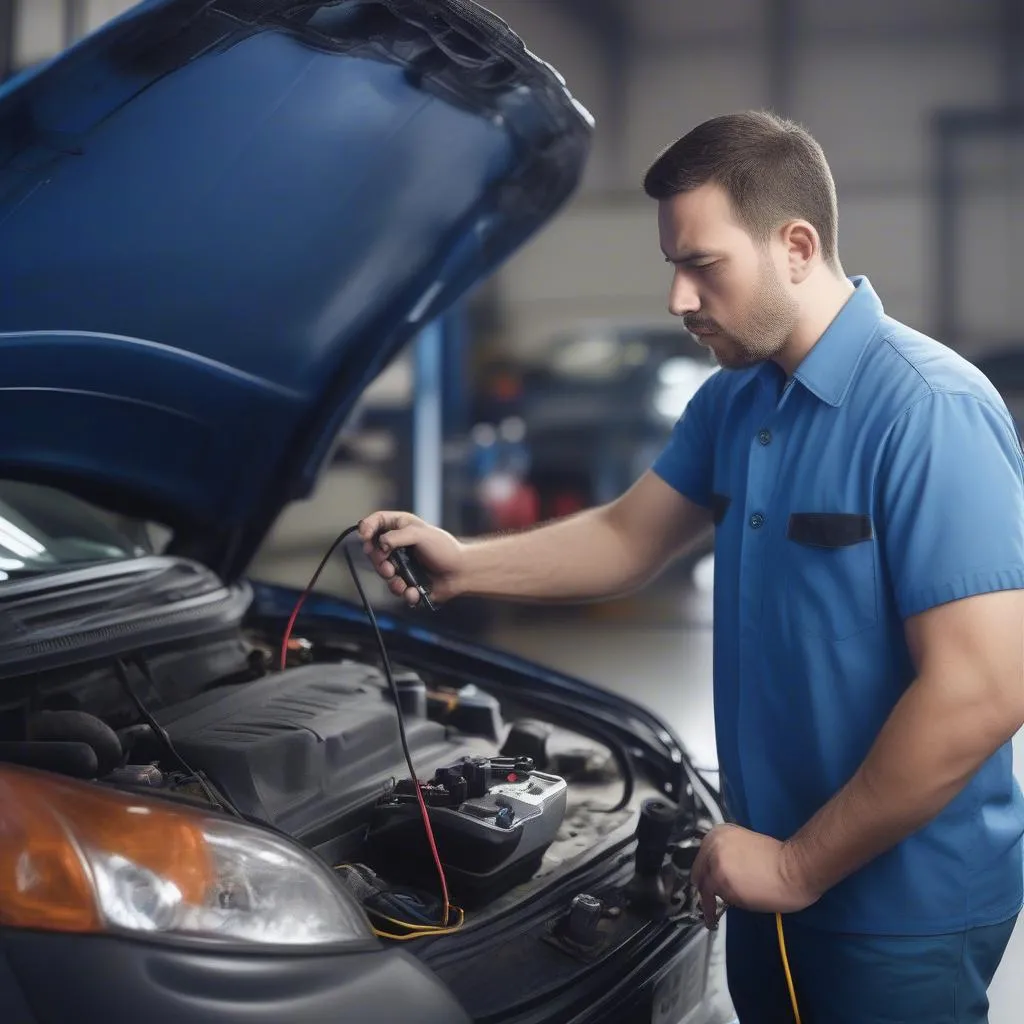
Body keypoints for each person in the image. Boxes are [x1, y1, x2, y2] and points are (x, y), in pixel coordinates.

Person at [360, 111, 1024, 1022]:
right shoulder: (734, 400)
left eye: (703, 264)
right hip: (758, 872)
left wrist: (797, 865)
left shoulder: (928, 410)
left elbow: (984, 688)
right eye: (672, 265)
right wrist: (467, 564)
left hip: (895, 907)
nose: (678, 298)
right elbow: (628, 537)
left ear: (797, 246)